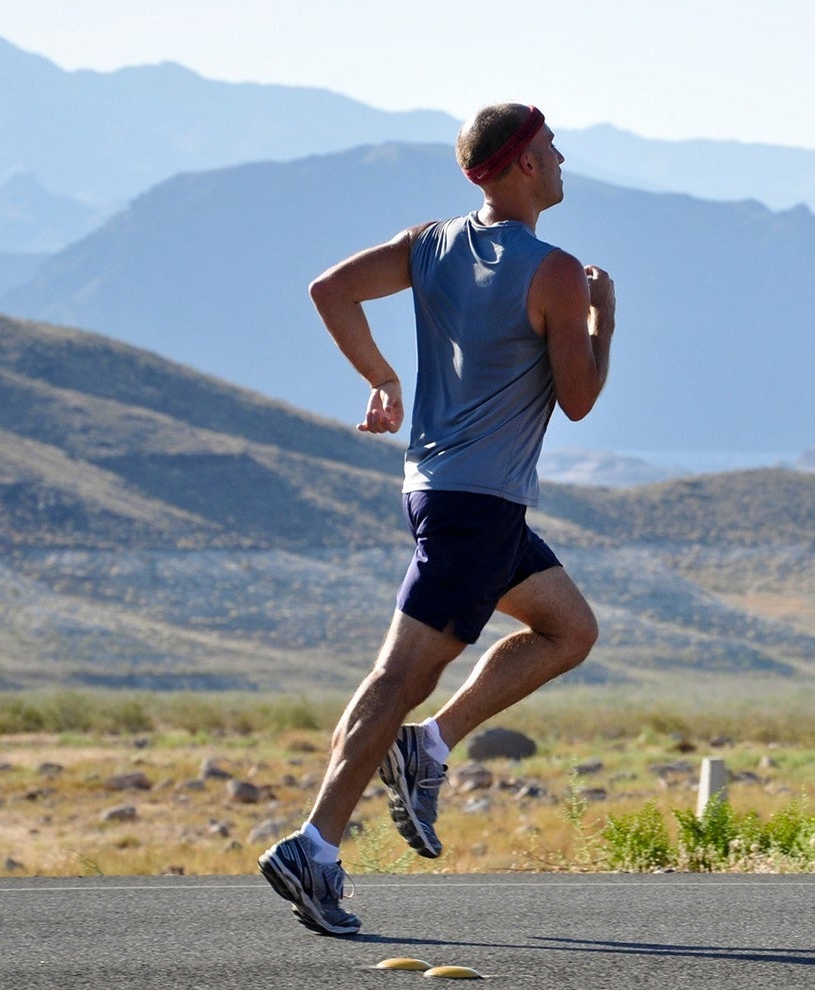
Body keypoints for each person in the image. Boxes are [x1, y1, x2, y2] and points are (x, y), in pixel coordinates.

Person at [258, 102, 615, 935]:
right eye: (554, 151)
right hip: (477, 506)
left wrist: (381, 377)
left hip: (443, 492)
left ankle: (429, 746)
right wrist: (604, 317)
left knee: (569, 629)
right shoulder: (556, 272)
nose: (564, 163)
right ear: (524, 163)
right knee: (397, 677)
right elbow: (580, 399)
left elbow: (331, 289)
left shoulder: (431, 243)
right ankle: (314, 845)